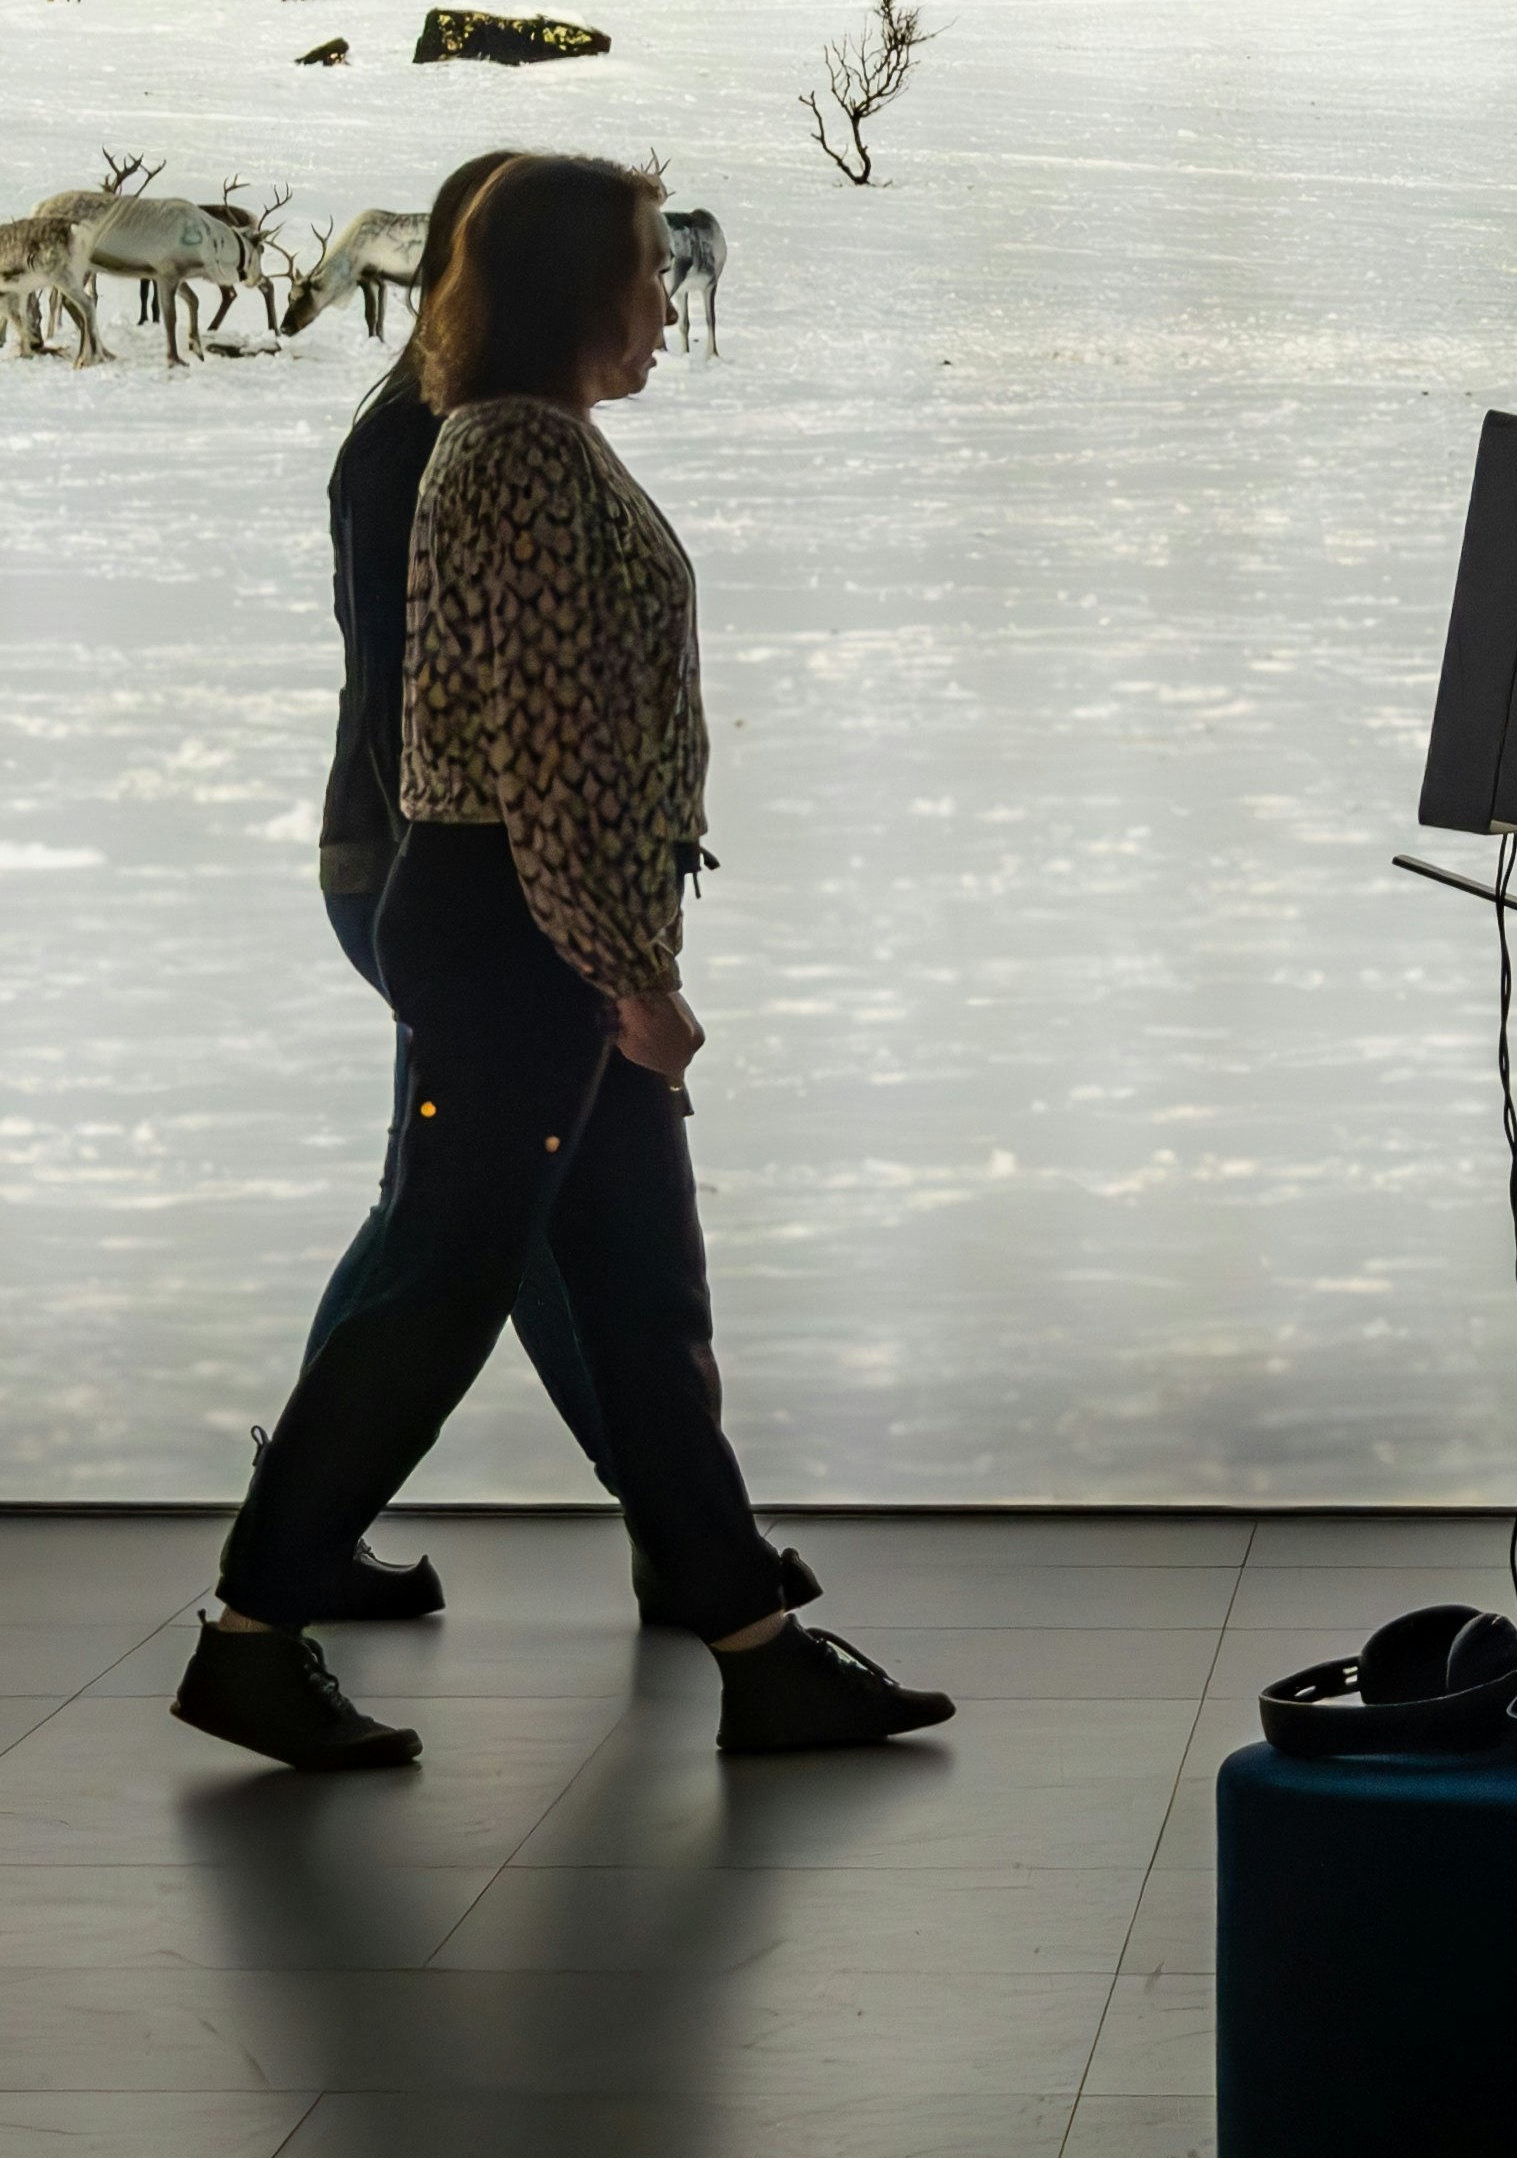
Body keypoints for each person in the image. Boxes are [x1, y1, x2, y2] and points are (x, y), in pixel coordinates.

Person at [182, 151, 950, 1769]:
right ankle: (253, 1633)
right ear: (570, 296)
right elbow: (541, 764)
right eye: (647, 276)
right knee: (439, 1292)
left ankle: (758, 1648)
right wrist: (632, 982)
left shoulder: (537, 444)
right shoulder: (516, 465)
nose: (671, 302)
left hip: (537, 936)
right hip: (519, 944)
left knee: (640, 1299)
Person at [283, 146, 820, 1635]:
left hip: (506, 893)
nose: (664, 298)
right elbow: (480, 715)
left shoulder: (491, 431)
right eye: (640, 268)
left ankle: (699, 1559)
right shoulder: (456, 446)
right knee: (467, 1241)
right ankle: (284, 1568)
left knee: (534, 1236)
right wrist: (603, 958)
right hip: (475, 888)